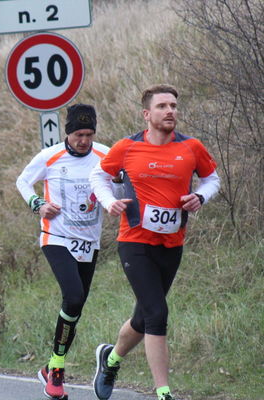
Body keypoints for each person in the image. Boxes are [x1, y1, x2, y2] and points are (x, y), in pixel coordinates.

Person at [89, 84, 220, 400]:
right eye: (163, 106)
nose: (171, 111)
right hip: (135, 242)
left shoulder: (191, 147)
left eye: (174, 105)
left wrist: (200, 196)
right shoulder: (127, 147)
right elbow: (98, 176)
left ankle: (110, 359)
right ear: (147, 114)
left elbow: (212, 178)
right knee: (157, 313)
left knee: (143, 316)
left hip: (172, 244)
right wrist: (109, 202)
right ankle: (164, 392)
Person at [16, 104, 110, 400]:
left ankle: (49, 366)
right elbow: (22, 181)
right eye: (79, 134)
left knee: (76, 308)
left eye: (89, 134)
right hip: (56, 237)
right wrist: (37, 205)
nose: (84, 140)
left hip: (89, 241)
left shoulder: (105, 155)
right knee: (73, 296)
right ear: (68, 133)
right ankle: (57, 369)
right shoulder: (50, 156)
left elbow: (120, 188)